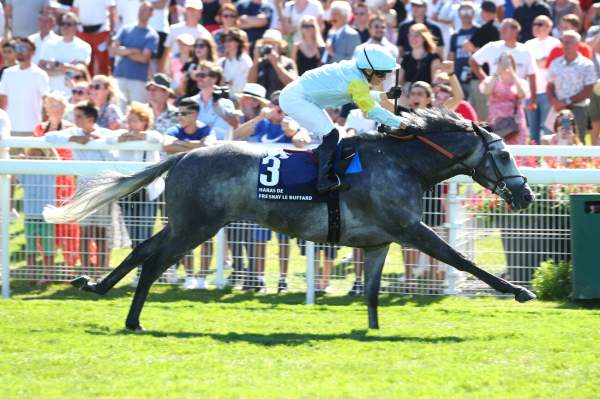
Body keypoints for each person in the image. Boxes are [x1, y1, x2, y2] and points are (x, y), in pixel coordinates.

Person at [279, 44, 408, 193]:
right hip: (295, 99)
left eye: (387, 74)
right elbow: (372, 110)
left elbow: (361, 95)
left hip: (300, 96)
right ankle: (323, 182)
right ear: (368, 70)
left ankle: (321, 173)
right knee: (331, 136)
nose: (384, 78)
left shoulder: (355, 72)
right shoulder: (357, 81)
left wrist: (385, 95)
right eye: (381, 74)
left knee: (335, 137)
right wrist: (402, 123)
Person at [45, 101, 116, 276]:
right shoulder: (73, 132)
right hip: (83, 189)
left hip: (103, 188)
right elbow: (48, 137)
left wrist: (101, 143)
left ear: (91, 119)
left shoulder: (105, 134)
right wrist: (73, 139)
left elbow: (114, 156)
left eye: (79, 117)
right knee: (85, 231)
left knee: (101, 231)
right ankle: (85, 271)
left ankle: (100, 271)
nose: (75, 120)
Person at [163, 98, 216, 289]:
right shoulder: (174, 130)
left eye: (184, 114)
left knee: (207, 233)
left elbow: (209, 146)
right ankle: (189, 276)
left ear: (195, 115)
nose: (180, 117)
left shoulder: (207, 129)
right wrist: (196, 146)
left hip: (204, 190)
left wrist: (183, 144)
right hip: (179, 190)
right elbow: (167, 145)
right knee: (181, 232)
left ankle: (201, 277)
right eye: (178, 113)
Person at [32, 92, 79, 273]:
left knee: (68, 223)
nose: (53, 107)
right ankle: (48, 268)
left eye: (57, 103)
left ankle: (70, 268)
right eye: (50, 103)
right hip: (45, 182)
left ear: (64, 107)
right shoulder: (39, 128)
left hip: (65, 183)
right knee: (46, 225)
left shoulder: (70, 128)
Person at [109, 102, 163, 250]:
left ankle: (145, 268)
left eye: (134, 120)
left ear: (144, 121)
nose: (130, 124)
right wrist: (125, 138)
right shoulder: (122, 135)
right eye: (129, 120)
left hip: (148, 192)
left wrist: (137, 136)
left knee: (145, 232)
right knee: (133, 233)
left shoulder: (151, 135)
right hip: (127, 192)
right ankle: (139, 267)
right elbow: (110, 139)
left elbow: (156, 139)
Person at [469, 18, 537, 123]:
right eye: (501, 28)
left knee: (516, 130)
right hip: (495, 99)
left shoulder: (525, 51)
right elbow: (473, 61)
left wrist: (533, 100)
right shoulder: (492, 47)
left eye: (505, 28)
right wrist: (486, 80)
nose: (501, 31)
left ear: (515, 30)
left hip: (517, 100)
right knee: (496, 130)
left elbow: (532, 75)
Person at [547, 30, 596, 143]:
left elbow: (588, 90)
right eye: (563, 41)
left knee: (578, 140)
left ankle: (577, 162)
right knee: (555, 139)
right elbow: (549, 85)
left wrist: (566, 101)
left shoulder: (586, 64)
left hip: (578, 109)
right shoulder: (555, 63)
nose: (565, 44)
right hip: (557, 109)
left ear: (577, 44)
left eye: (568, 42)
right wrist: (553, 101)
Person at [18, 147, 57, 283]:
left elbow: (57, 161)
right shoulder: (25, 170)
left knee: (48, 248)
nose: (33, 157)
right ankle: (31, 275)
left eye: (37, 154)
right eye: (31, 154)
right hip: (30, 214)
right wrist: (21, 161)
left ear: (44, 156)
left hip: (47, 214)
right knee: (31, 248)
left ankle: (48, 276)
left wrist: (51, 151)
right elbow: (17, 176)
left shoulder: (50, 168)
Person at [0, 37, 50, 138]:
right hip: (9, 131)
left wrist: (43, 129)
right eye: (18, 48)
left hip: (33, 131)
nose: (20, 52)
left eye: (23, 49)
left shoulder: (40, 74)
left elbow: (46, 104)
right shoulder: (7, 73)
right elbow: (2, 103)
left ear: (33, 52)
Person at [110, 1, 159, 104]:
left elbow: (144, 58)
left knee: (138, 113)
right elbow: (113, 50)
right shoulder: (125, 29)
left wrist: (124, 51)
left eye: (145, 10)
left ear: (151, 14)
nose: (142, 12)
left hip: (138, 80)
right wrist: (133, 51)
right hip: (119, 76)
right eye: (141, 9)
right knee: (119, 111)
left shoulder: (152, 35)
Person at [480, 52, 530, 145]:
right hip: (496, 121)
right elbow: (487, 92)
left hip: (516, 122)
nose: (506, 65)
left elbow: (522, 95)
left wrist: (513, 75)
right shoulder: (491, 80)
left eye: (508, 62)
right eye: (502, 62)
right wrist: (497, 73)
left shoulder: (520, 82)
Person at [524, 15, 560, 144]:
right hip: (531, 92)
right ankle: (534, 162)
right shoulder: (528, 44)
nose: (536, 27)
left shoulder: (555, 43)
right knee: (532, 131)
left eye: (540, 24)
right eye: (535, 24)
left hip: (548, 93)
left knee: (548, 130)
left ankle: (549, 161)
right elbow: (527, 66)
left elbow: (549, 64)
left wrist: (539, 62)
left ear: (549, 27)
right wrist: (541, 61)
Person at [38, 12, 92, 95]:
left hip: (75, 94)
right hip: (52, 94)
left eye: (69, 24)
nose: (65, 27)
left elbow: (81, 69)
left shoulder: (84, 46)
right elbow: (41, 68)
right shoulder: (49, 44)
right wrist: (62, 71)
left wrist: (56, 64)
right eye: (62, 24)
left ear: (76, 27)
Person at [159, 0, 213, 74]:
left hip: (193, 76)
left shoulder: (205, 34)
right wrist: (162, 73)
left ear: (200, 12)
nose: (191, 12)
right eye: (189, 9)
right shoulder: (174, 29)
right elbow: (166, 53)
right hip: (172, 74)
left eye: (194, 10)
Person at [189, 60, 236, 140]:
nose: (199, 78)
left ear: (214, 78)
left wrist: (197, 128)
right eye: (197, 75)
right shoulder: (190, 102)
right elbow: (187, 131)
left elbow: (221, 133)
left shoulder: (226, 104)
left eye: (202, 75)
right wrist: (208, 127)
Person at [248, 29, 298, 97]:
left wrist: (276, 64)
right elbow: (251, 83)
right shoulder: (259, 62)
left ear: (279, 47)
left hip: (281, 102)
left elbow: (293, 84)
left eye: (272, 44)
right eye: (266, 44)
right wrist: (255, 60)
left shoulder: (288, 62)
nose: (269, 47)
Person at [72, 0, 116, 76]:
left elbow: (112, 11)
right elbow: (75, 11)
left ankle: (104, 86)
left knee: (103, 64)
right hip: (83, 32)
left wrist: (111, 33)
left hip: (101, 32)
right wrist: (76, 32)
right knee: (85, 65)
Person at [448, 1, 478, 97]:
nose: (466, 15)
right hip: (458, 76)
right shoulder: (455, 35)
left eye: (469, 11)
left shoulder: (479, 31)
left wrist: (473, 49)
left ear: (473, 14)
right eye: (463, 12)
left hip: (475, 77)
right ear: (459, 14)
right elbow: (451, 56)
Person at [218, 28, 253, 94]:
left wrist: (229, 82)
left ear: (238, 42)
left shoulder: (245, 60)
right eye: (225, 40)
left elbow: (247, 83)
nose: (226, 43)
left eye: (230, 40)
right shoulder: (221, 62)